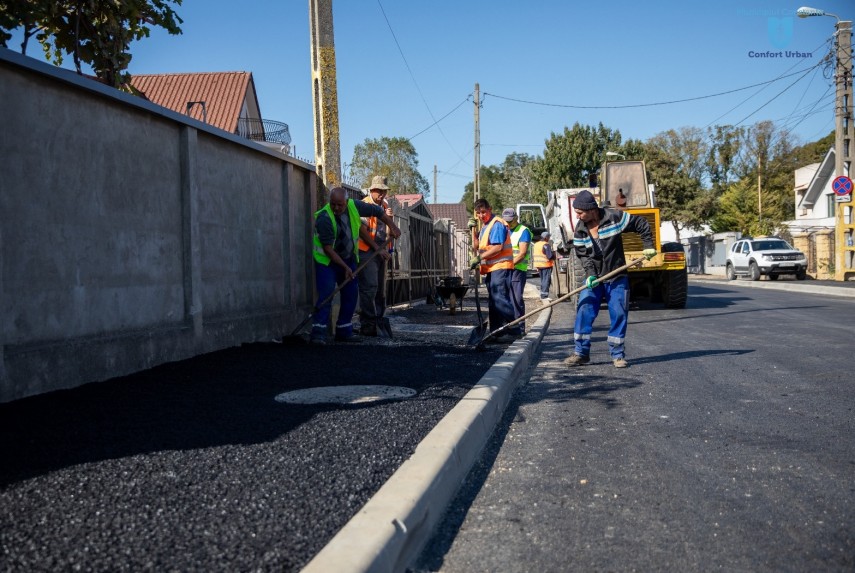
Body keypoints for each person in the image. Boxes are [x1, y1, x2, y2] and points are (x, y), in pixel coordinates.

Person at [565, 190, 656, 368]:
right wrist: (590, 274)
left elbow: (641, 223)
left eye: (580, 212)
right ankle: (581, 353)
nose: (577, 216)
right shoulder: (581, 229)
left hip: (617, 276)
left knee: (619, 313)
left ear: (591, 209)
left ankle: (617, 355)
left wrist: (648, 246)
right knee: (584, 310)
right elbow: (583, 255)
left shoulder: (614, 217)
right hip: (595, 278)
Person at [311, 187, 400, 345]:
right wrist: (345, 267)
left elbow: (378, 212)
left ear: (346, 201)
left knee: (351, 295)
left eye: (340, 204)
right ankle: (318, 333)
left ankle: (344, 331)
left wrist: (392, 226)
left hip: (348, 258)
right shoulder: (324, 218)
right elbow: (328, 249)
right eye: (333, 204)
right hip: (327, 262)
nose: (337, 208)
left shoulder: (354, 206)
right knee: (326, 294)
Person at [470, 198, 520, 341]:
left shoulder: (496, 224)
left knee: (499, 298)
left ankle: (515, 328)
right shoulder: (484, 227)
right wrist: (472, 231)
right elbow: (476, 246)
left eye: (483, 212)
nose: (481, 215)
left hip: (501, 266)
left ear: (490, 209)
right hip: (491, 268)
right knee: (493, 301)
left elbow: (497, 247)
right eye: (478, 213)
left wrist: (479, 259)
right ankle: (496, 332)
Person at [357, 175, 394, 337]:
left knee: (380, 290)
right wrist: (378, 249)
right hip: (367, 251)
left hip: (381, 252)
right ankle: (367, 322)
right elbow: (362, 230)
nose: (381, 194)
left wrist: (390, 220)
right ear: (371, 190)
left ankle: (378, 319)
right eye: (378, 191)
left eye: (383, 191)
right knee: (369, 287)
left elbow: (389, 232)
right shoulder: (364, 205)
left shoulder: (385, 206)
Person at [502, 208, 532, 333]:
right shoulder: (504, 230)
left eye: (511, 220)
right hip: (505, 269)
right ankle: (508, 327)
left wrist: (509, 265)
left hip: (517, 270)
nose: (508, 223)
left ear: (516, 218)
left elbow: (522, 253)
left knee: (516, 299)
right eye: (506, 221)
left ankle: (519, 328)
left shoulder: (523, 231)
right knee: (505, 299)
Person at [533, 231, 556, 300]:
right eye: (548, 237)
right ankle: (544, 296)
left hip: (539, 265)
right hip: (546, 265)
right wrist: (554, 255)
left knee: (543, 280)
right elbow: (549, 256)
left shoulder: (536, 244)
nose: (549, 238)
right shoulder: (546, 245)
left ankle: (542, 294)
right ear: (546, 237)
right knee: (546, 280)